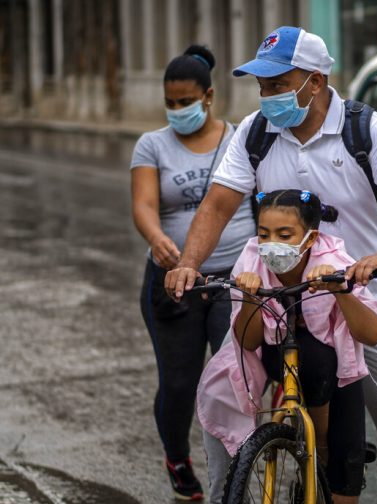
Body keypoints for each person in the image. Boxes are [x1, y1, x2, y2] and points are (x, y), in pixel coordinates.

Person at [165, 27, 377, 503]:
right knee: (221, 397)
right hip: (276, 303)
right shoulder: (255, 132)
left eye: (278, 84)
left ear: (314, 81)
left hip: (357, 302)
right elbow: (216, 206)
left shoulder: (365, 128)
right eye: (262, 86)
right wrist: (189, 263)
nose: (267, 95)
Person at [198, 189, 377, 503]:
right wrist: (250, 298)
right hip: (277, 355)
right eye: (264, 234)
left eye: (284, 235)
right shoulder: (250, 259)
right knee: (303, 363)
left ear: (311, 237)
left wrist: (340, 289)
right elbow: (248, 341)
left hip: (337, 374)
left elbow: (371, 335)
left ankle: (325, 448)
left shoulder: (335, 261)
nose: (272, 243)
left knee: (344, 482)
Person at [130, 44, 254, 501]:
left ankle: (235, 469)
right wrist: (156, 238)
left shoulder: (241, 138)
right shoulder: (152, 144)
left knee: (231, 380)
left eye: (186, 101)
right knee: (180, 382)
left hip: (233, 280)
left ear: (209, 96)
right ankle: (178, 458)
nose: (178, 110)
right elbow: (143, 204)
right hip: (173, 283)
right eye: (171, 103)